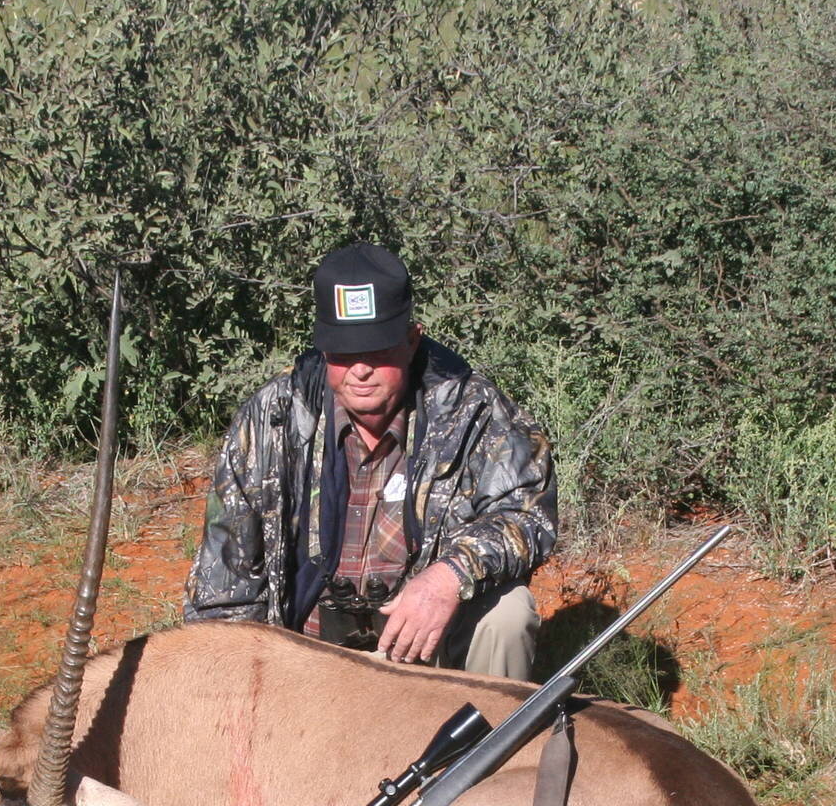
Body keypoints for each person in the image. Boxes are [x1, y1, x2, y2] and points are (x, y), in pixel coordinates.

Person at [185, 242, 557, 679]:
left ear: (412, 339)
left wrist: (448, 576)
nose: (360, 369)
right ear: (323, 349)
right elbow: (225, 571)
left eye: (377, 350)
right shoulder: (273, 415)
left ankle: (487, 742)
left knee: (508, 615)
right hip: (306, 656)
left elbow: (528, 515)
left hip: (424, 650)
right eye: (343, 352)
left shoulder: (472, 407)